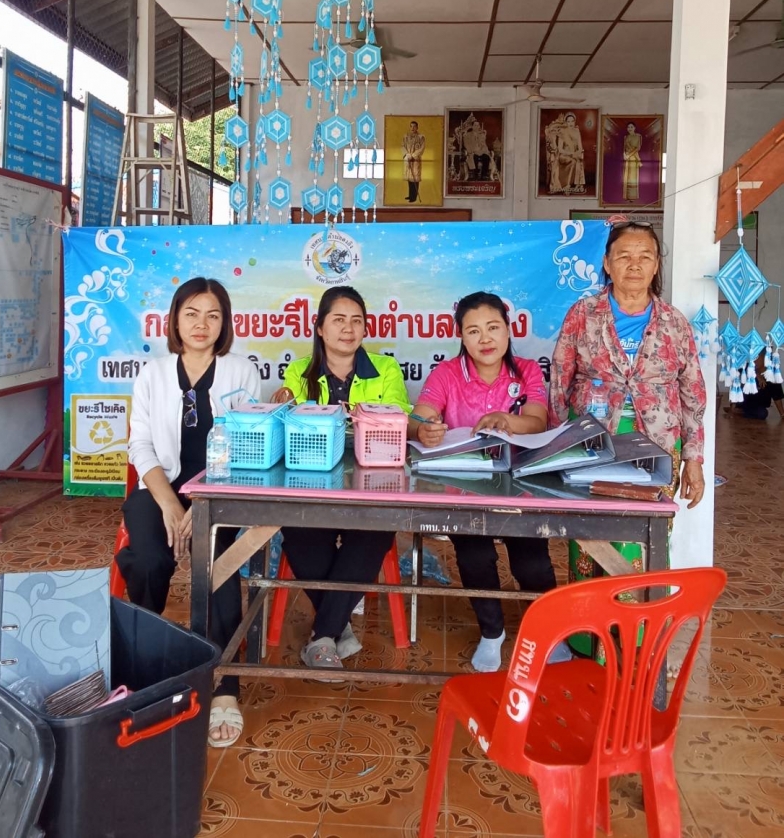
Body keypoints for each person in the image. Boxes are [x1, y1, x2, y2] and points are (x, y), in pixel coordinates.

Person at [122, 277, 260, 748]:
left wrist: (200, 506)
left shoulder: (242, 372)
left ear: (225, 323)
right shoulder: (153, 374)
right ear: (176, 321)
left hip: (220, 492)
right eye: (192, 314)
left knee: (218, 564)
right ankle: (143, 657)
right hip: (160, 488)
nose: (202, 324)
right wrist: (168, 503)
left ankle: (224, 685)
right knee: (147, 559)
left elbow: (246, 445)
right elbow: (140, 445)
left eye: (213, 315)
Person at [408, 291, 564, 674]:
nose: (485, 339)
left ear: (509, 330)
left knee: (532, 563)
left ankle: (549, 633)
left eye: (493, 327)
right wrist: (424, 429)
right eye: (473, 331)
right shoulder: (447, 374)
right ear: (461, 336)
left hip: (520, 486)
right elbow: (418, 418)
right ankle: (492, 632)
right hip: (465, 488)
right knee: (475, 557)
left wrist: (507, 421)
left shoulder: (527, 370)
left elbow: (537, 422)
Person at [550, 221, 706, 601]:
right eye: (624, 256)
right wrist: (555, 448)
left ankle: (640, 626)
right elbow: (559, 378)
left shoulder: (674, 323)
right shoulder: (583, 313)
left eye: (644, 256)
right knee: (589, 537)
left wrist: (694, 459)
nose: (634, 265)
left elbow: (693, 394)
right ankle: (588, 627)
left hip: (656, 448)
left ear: (656, 265)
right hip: (591, 444)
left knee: (645, 536)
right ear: (607, 263)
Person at [271, 286, 411, 671]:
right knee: (298, 531)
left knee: (375, 532)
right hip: (312, 482)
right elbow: (291, 426)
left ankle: (323, 635)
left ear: (365, 328)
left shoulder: (386, 369)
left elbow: (397, 417)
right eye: (338, 320)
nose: (348, 329)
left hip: (372, 481)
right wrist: (283, 405)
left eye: (356, 321)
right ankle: (336, 627)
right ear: (319, 327)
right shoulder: (300, 372)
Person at [403, 120, 425, 203]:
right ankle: (410, 195)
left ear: (417, 127)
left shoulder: (421, 137)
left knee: (415, 178)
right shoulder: (406, 137)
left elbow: (421, 149)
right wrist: (407, 155)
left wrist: (413, 155)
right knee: (410, 178)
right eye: (411, 126)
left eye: (414, 126)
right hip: (408, 159)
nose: (412, 128)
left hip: (415, 160)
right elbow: (402, 146)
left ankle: (414, 197)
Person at [622, 122, 643, 201]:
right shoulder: (626, 137)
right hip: (627, 159)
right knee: (626, 177)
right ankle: (627, 196)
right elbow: (624, 148)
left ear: (634, 128)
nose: (630, 128)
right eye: (628, 127)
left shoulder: (638, 137)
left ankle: (632, 197)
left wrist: (629, 155)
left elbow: (637, 148)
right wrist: (624, 154)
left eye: (631, 127)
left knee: (632, 178)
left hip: (634, 159)